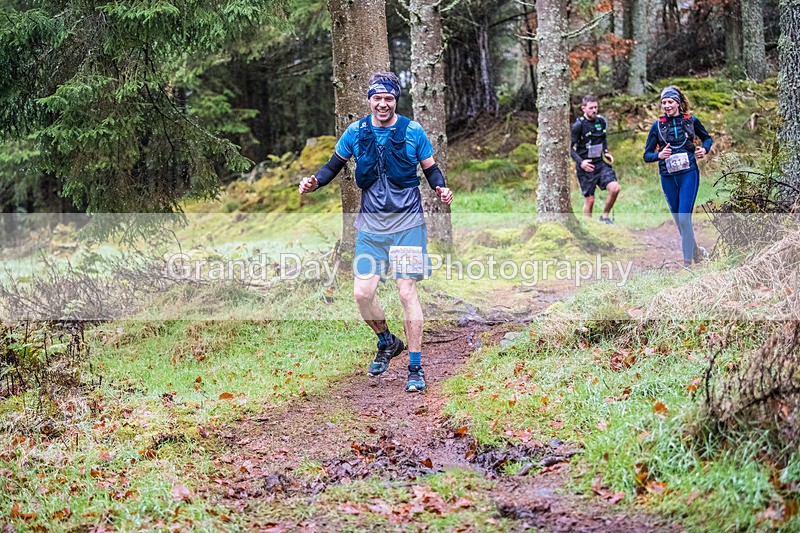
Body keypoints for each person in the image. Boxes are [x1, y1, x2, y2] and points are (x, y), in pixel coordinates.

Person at [298, 71, 453, 393]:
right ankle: (386, 341)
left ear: (396, 100)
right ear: (369, 100)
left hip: (407, 225)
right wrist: (314, 182)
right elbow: (332, 166)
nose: (383, 104)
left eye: (389, 99)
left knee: (405, 291)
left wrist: (441, 188)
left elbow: (431, 168)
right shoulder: (355, 132)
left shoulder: (413, 131)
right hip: (371, 227)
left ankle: (415, 366)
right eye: (377, 98)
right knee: (362, 294)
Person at [643, 86, 713, 267]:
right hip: (667, 177)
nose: (667, 105)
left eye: (670, 102)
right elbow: (647, 155)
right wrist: (658, 156)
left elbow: (707, 138)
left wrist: (704, 149)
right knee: (679, 221)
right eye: (664, 102)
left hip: (689, 173)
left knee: (684, 218)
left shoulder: (691, 121)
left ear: (679, 103)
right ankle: (696, 253)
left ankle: (687, 265)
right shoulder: (657, 126)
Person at [570, 95, 620, 223]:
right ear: (583, 109)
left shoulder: (601, 121)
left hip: (600, 164)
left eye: (596, 107)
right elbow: (569, 149)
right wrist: (581, 163)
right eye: (591, 108)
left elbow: (603, 138)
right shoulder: (578, 126)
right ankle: (588, 227)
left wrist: (606, 152)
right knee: (590, 200)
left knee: (615, 188)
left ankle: (604, 217)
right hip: (586, 167)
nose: (594, 110)